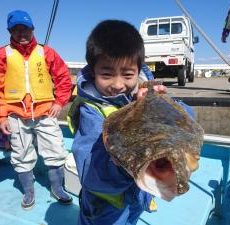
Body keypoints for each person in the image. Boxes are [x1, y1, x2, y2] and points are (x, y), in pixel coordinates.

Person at [69, 19, 195, 225]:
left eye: (128, 75)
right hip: (106, 206)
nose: (118, 85)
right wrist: (130, 154)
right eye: (107, 74)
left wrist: (162, 105)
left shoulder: (145, 95)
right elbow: (92, 173)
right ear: (93, 71)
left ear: (138, 71)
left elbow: (188, 123)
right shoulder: (91, 113)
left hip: (136, 196)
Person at [0, 10, 73, 210]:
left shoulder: (47, 52)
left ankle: (57, 188)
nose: (21, 33)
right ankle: (29, 191)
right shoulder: (2, 54)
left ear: (32, 29)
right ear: (10, 31)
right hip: (16, 116)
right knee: (21, 156)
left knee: (56, 151)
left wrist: (59, 103)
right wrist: (2, 116)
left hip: (46, 113)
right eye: (16, 30)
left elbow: (64, 79)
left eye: (25, 29)